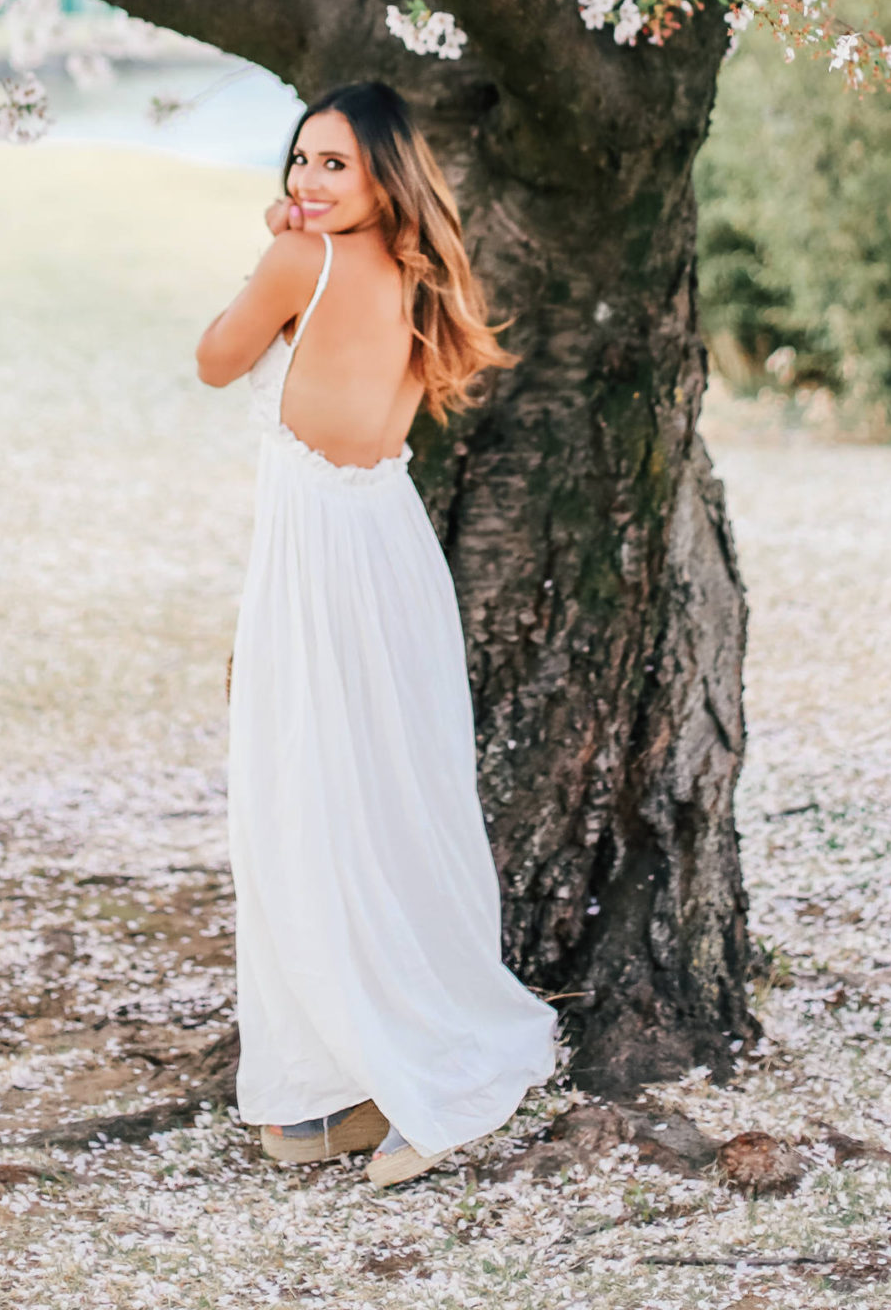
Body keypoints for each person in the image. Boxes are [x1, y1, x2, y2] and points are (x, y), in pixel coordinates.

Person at [196, 80, 557, 1187]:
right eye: (299, 161)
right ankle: (340, 1076)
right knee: (383, 799)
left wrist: (272, 255)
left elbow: (215, 359)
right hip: (387, 546)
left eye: (334, 165)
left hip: (320, 560)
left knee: (310, 799)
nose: (307, 182)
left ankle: (408, 1066)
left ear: (383, 174)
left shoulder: (298, 264)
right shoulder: (420, 270)